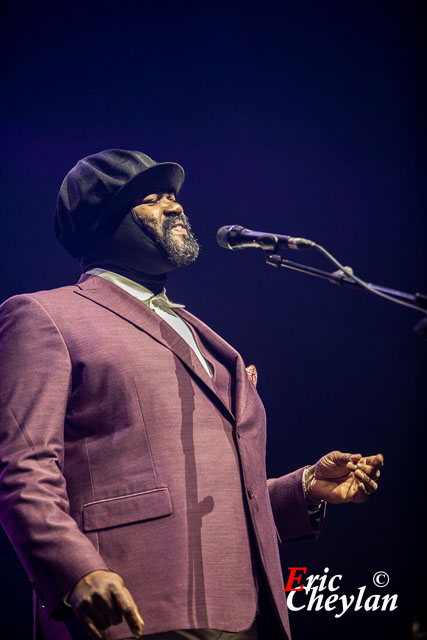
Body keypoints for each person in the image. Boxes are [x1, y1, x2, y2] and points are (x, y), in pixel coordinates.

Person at [0, 149, 383, 640]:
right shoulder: (44, 317)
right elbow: (22, 469)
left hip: (245, 608)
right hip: (134, 606)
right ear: (105, 222)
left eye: (174, 197)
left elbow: (203, 490)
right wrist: (75, 570)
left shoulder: (197, 333)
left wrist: (302, 488)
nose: (176, 207)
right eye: (153, 199)